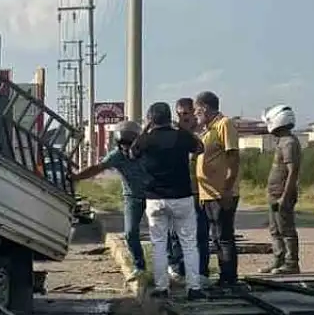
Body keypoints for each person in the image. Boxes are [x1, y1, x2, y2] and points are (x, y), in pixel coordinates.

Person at [130, 102, 205, 300]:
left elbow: (132, 152)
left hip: (155, 200)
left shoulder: (145, 140)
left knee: (159, 245)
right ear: (169, 117)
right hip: (181, 197)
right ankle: (194, 288)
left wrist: (146, 128)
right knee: (189, 244)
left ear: (150, 118)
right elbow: (200, 147)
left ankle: (162, 288)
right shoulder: (180, 136)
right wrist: (180, 127)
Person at [72, 121, 150, 281]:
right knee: (130, 233)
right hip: (132, 197)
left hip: (154, 195)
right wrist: (77, 177)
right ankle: (139, 266)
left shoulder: (149, 151)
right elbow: (98, 167)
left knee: (163, 233)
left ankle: (175, 266)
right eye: (123, 145)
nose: (127, 149)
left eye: (130, 144)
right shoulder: (117, 155)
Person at [194, 90, 241, 288]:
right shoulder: (208, 130)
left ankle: (229, 278)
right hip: (208, 193)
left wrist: (228, 189)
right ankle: (224, 276)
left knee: (224, 237)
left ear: (204, 108)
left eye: (197, 111)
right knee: (216, 237)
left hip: (221, 192)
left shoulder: (224, 124)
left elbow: (233, 157)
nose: (196, 115)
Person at [168, 96, 211, 282]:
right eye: (179, 115)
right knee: (176, 234)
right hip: (176, 192)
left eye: (186, 114)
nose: (182, 119)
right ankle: (179, 268)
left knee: (200, 234)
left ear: (194, 114)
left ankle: (200, 271)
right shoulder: (173, 135)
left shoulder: (204, 134)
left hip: (198, 192)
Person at [260, 104, 302, 275]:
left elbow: (293, 171)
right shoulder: (282, 141)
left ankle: (291, 263)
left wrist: (285, 196)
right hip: (274, 193)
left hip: (282, 194)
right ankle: (279, 260)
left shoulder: (289, 143)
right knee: (275, 229)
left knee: (286, 229)